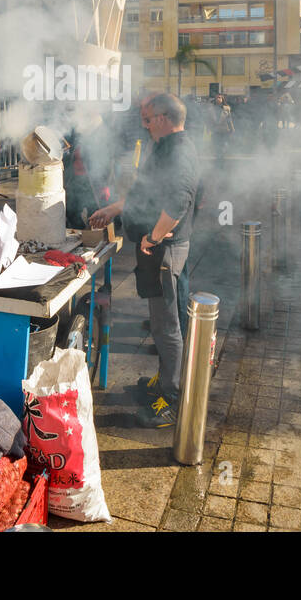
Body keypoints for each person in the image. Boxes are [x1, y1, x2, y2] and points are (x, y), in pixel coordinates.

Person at [89, 93, 199, 429]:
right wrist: (116, 207)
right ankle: (166, 378)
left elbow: (179, 199)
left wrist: (153, 236)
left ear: (165, 119)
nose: (144, 123)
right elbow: (148, 191)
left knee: (168, 325)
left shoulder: (179, 151)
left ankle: (173, 398)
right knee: (163, 320)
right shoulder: (165, 146)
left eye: (149, 118)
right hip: (157, 248)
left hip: (164, 250)